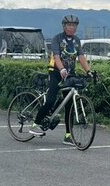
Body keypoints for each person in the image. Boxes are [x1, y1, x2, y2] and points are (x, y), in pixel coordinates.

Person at [35, 15, 94, 144]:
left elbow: (81, 57)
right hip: (56, 72)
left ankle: (68, 135)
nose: (71, 27)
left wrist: (89, 71)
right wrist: (61, 69)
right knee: (50, 100)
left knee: (69, 106)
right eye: (69, 25)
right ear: (64, 26)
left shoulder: (76, 40)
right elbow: (56, 56)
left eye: (74, 25)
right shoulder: (57, 39)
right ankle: (37, 123)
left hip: (69, 74)